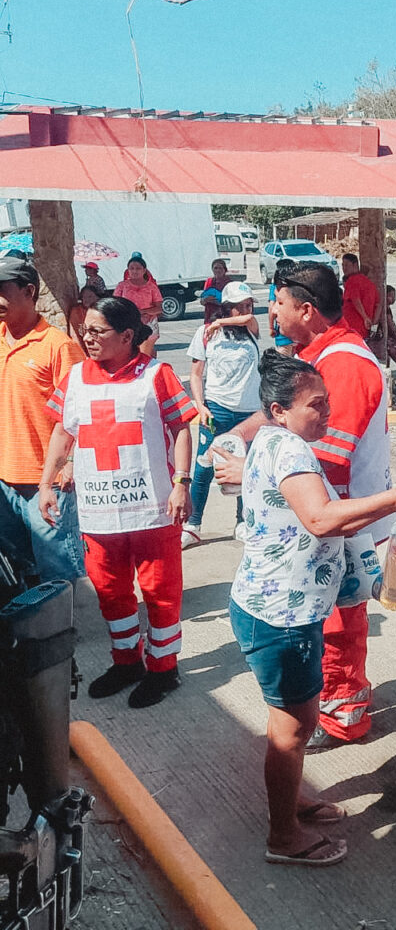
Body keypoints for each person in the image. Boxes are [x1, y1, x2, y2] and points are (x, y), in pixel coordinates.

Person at [230, 350, 396, 867]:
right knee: (292, 731)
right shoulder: (291, 451)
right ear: (279, 411)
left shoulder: (272, 441)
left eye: (327, 402)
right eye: (316, 405)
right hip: (282, 617)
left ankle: (292, 801)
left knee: (291, 725)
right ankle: (284, 837)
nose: (327, 413)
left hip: (274, 606)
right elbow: (322, 519)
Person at [215, 262, 392, 753]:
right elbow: (279, 412)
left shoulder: (345, 365)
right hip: (318, 530)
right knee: (324, 625)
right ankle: (322, 707)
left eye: (278, 302)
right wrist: (238, 437)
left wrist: (254, 468)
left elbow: (327, 459)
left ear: (307, 310)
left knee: (337, 629)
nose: (272, 311)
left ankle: (341, 719)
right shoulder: (317, 356)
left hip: (342, 527)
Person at [39, 296, 197, 708]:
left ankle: (163, 668)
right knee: (110, 592)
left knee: (161, 592)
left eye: (97, 331)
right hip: (98, 513)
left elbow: (181, 428)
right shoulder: (76, 377)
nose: (87, 338)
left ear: (127, 336)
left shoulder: (157, 374)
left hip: (153, 510)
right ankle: (126, 661)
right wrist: (46, 483)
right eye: (85, 331)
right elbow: (62, 433)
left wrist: (182, 482)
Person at [0, 255, 85, 586]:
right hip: (3, 481)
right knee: (22, 572)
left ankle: (77, 620)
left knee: (60, 573)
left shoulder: (58, 347)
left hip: (46, 484)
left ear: (29, 291)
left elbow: (78, 416)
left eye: (2, 290)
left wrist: (68, 466)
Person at [181, 282, 261, 549]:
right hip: (217, 408)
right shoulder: (205, 334)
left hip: (249, 411)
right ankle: (193, 525)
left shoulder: (250, 328)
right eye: (240, 305)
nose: (247, 310)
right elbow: (196, 374)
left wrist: (221, 322)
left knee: (245, 466)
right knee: (204, 467)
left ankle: (242, 521)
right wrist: (200, 405)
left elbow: (248, 320)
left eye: (249, 304)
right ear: (227, 307)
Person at [114, 251, 162, 357]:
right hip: (128, 325)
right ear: (128, 270)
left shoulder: (152, 287)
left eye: (138, 268)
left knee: (145, 356)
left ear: (144, 270)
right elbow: (115, 306)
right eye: (132, 268)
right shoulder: (122, 286)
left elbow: (159, 308)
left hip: (148, 324)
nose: (134, 271)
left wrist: (143, 312)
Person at [340, 253, 379, 340]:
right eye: (343, 265)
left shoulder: (352, 280)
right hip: (365, 329)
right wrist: (373, 325)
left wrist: (365, 317)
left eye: (346, 265)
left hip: (352, 327)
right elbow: (378, 305)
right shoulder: (370, 284)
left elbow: (355, 299)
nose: (344, 268)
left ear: (355, 265)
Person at [268, 259, 296, 356]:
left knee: (284, 362)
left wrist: (271, 327)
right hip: (300, 334)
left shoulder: (275, 287)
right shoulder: (297, 286)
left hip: (283, 335)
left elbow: (271, 307)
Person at [68, 284, 101, 354]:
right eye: (84, 297)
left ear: (97, 297)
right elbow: (75, 336)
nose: (86, 299)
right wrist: (82, 354)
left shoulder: (102, 311)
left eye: (90, 296)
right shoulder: (77, 312)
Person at [202, 259, 232, 325]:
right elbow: (203, 300)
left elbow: (232, 303)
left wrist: (217, 302)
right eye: (215, 268)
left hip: (224, 317)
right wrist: (205, 300)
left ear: (225, 270)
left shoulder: (230, 283)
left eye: (220, 268)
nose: (218, 270)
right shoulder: (209, 281)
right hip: (210, 317)